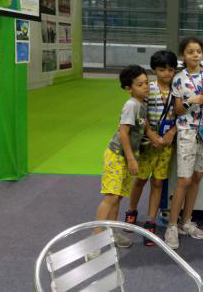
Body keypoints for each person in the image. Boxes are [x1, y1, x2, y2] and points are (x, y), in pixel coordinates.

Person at [164, 37, 203, 249]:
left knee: (197, 176)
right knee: (184, 180)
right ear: (183, 55)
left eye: (198, 51)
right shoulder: (178, 79)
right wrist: (191, 101)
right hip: (187, 131)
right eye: (190, 52)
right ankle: (172, 226)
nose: (195, 55)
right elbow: (178, 110)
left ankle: (187, 221)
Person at [87, 65, 149, 260]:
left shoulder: (143, 103)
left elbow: (142, 129)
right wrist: (131, 159)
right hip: (117, 156)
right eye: (140, 84)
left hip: (127, 156)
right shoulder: (131, 105)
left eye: (146, 83)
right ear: (128, 88)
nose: (145, 87)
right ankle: (95, 239)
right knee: (111, 197)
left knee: (118, 197)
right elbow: (123, 133)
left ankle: (112, 232)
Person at [124, 51, 178, 246]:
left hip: (166, 145)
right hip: (148, 143)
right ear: (154, 70)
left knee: (158, 182)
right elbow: (142, 113)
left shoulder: (177, 90)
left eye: (170, 69)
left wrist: (172, 132)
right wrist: (151, 133)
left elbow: (181, 115)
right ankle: (131, 210)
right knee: (140, 179)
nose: (166, 73)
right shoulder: (149, 88)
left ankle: (150, 220)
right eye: (162, 70)